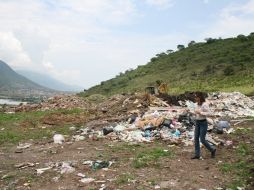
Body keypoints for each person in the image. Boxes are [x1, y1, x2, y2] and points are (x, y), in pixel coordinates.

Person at [190, 93, 216, 159]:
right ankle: (197, 154)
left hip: (203, 123)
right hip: (197, 122)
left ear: (200, 97)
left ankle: (212, 149)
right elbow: (196, 113)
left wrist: (200, 112)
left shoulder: (204, 104)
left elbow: (209, 113)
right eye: (195, 97)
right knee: (196, 139)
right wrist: (191, 112)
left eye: (196, 97)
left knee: (202, 139)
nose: (195, 99)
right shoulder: (196, 105)